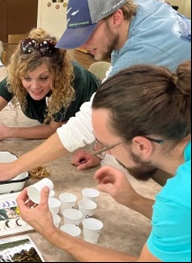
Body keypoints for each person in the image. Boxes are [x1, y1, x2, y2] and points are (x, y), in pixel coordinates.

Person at [0, 0, 191, 184]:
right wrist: (99, 149)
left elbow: (92, 119)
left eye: (88, 33)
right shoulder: (139, 11)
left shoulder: (145, 52)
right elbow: (112, 80)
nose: (83, 44)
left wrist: (14, 167)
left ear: (115, 17)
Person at [17, 61, 191, 262]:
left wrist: (51, 232)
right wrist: (133, 200)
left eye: (106, 146)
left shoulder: (181, 196)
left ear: (142, 146)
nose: (102, 151)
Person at [0, 28, 100, 171]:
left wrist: (10, 132)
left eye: (43, 78)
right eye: (27, 78)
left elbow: (54, 129)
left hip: (94, 129)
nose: (35, 86)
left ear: (57, 73)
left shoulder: (73, 79)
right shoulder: (17, 75)